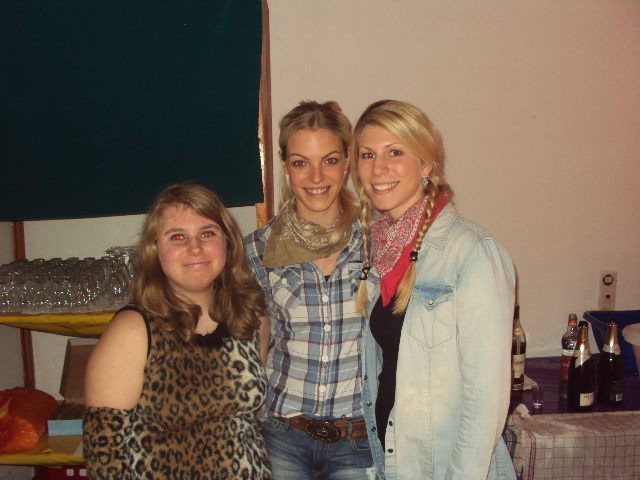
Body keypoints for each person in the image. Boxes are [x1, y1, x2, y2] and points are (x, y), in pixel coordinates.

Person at [350, 100, 517, 480]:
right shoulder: (380, 249)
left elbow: (486, 403)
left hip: (446, 468)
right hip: (393, 460)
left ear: (426, 165)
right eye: (367, 154)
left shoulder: (472, 253)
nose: (378, 168)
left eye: (395, 152)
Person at [83, 182, 272, 479]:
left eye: (207, 233)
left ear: (227, 241)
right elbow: (104, 454)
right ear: (155, 248)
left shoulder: (250, 316)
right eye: (177, 237)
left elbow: (251, 423)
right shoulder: (133, 330)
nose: (195, 248)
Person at [244, 101, 376, 479]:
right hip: (282, 437)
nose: (316, 176)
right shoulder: (257, 249)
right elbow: (256, 344)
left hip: (358, 441)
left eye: (329, 160)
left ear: (347, 161)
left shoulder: (378, 241)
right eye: (301, 162)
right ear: (284, 164)